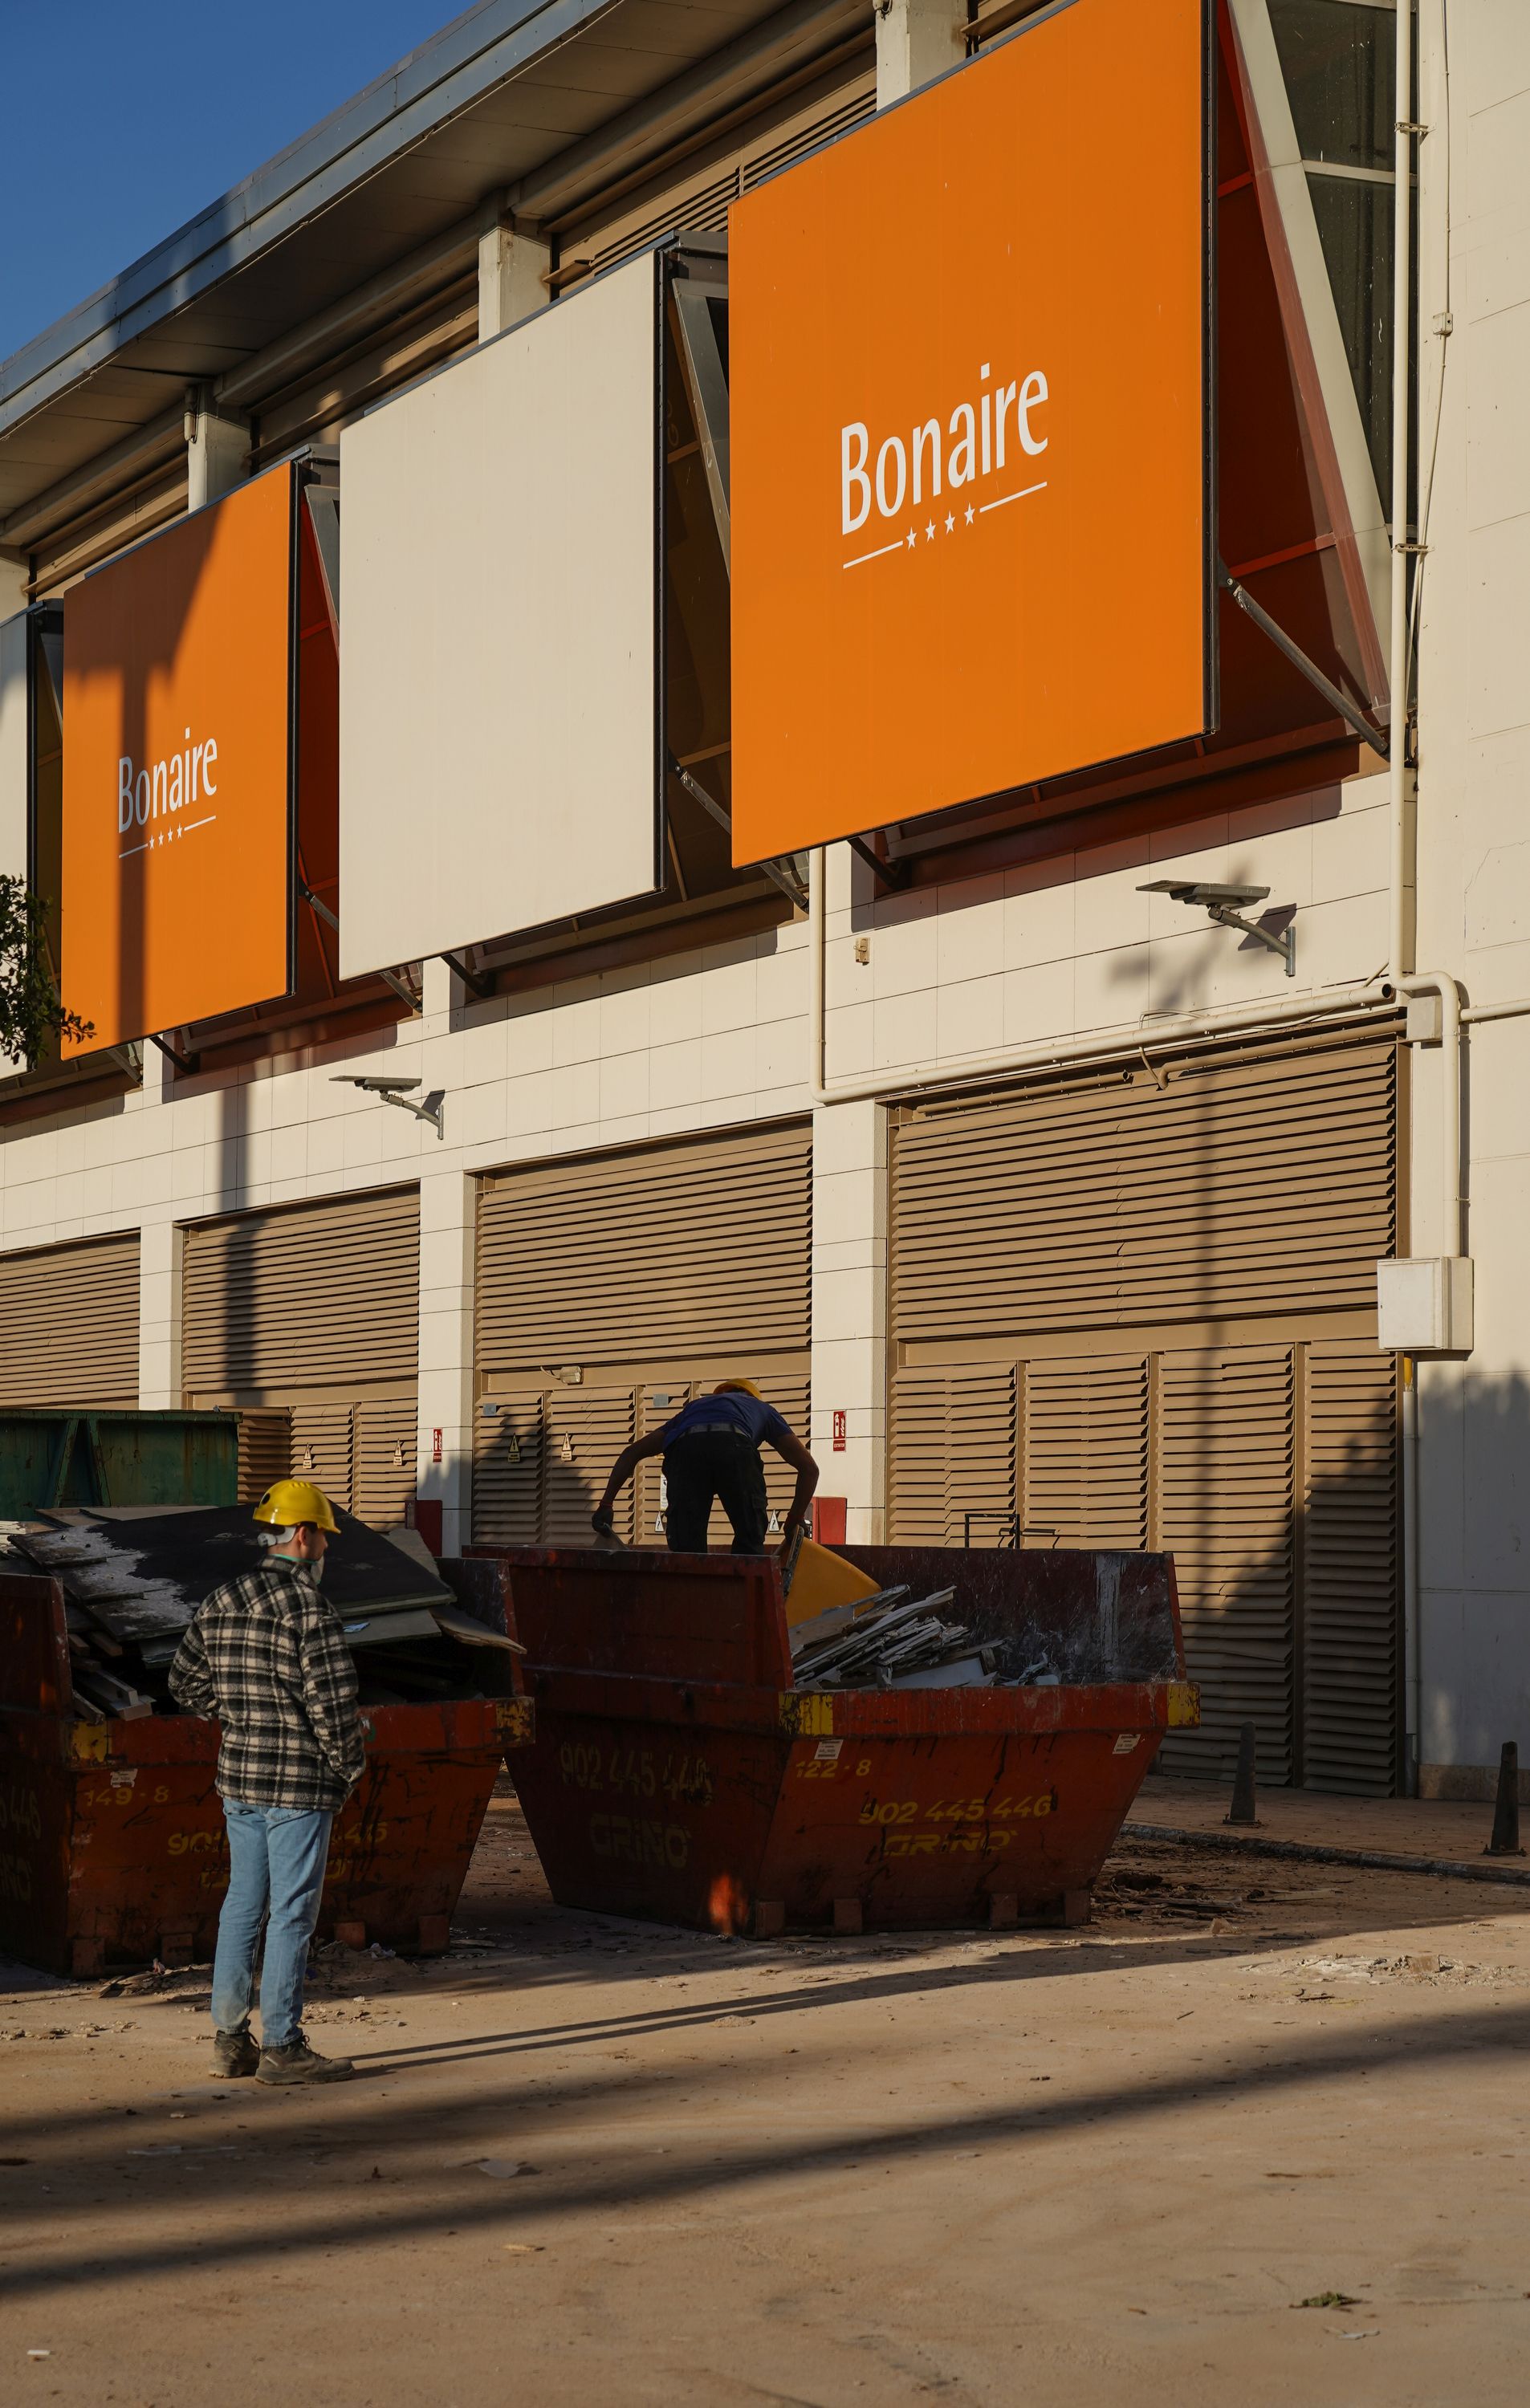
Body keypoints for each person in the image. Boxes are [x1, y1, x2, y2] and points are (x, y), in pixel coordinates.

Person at [169, 1479, 366, 2087]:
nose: (327, 1549)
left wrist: (238, 1716)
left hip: (240, 1781)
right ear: (303, 1536)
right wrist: (349, 1766)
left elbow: (184, 1685)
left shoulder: (222, 1599)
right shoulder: (311, 1611)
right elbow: (333, 1710)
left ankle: (230, 2043)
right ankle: (283, 2046)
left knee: (242, 1906)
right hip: (299, 1788)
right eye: (326, 1538)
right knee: (291, 1916)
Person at [592, 1379, 819, 1556]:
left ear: (719, 1395)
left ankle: (691, 1596)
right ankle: (746, 1594)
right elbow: (809, 1469)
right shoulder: (761, 1409)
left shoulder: (692, 1411)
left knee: (686, 1550)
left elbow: (632, 1453)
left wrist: (606, 1504)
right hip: (736, 1447)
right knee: (750, 1539)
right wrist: (793, 1520)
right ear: (751, 1397)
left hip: (685, 1451)